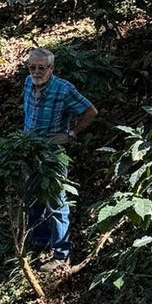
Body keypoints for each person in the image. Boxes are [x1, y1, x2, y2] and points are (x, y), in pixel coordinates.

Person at [22, 47, 97, 266]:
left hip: (52, 154)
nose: (36, 72)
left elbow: (90, 111)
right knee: (32, 198)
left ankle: (61, 255)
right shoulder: (27, 83)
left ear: (51, 68)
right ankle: (38, 243)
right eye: (32, 67)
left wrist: (71, 134)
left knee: (55, 201)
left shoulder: (63, 89)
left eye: (41, 68)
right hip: (29, 151)